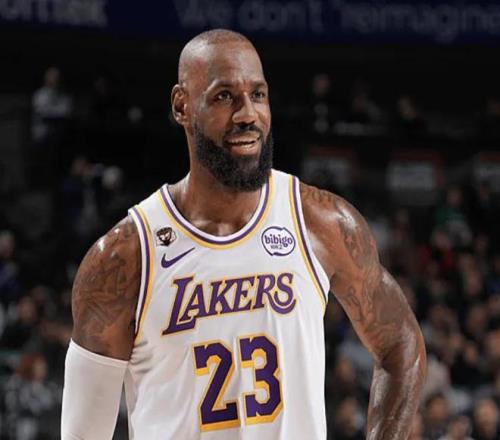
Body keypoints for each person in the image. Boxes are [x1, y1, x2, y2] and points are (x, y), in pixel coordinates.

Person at [61, 29, 426, 439]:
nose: (247, 114)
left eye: (258, 94)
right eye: (224, 96)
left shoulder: (322, 223)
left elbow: (400, 345)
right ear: (182, 106)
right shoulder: (124, 258)